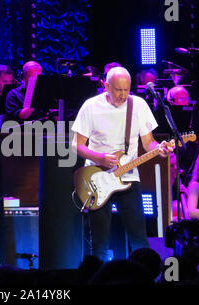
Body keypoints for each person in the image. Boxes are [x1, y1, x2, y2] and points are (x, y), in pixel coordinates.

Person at [71, 66, 173, 262]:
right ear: (106, 86)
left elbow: (148, 143)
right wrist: (100, 158)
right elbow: (77, 145)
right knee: (99, 242)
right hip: (96, 179)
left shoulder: (139, 105)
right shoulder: (91, 106)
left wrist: (159, 149)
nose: (124, 95)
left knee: (139, 238)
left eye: (127, 89)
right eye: (118, 90)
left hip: (128, 177)